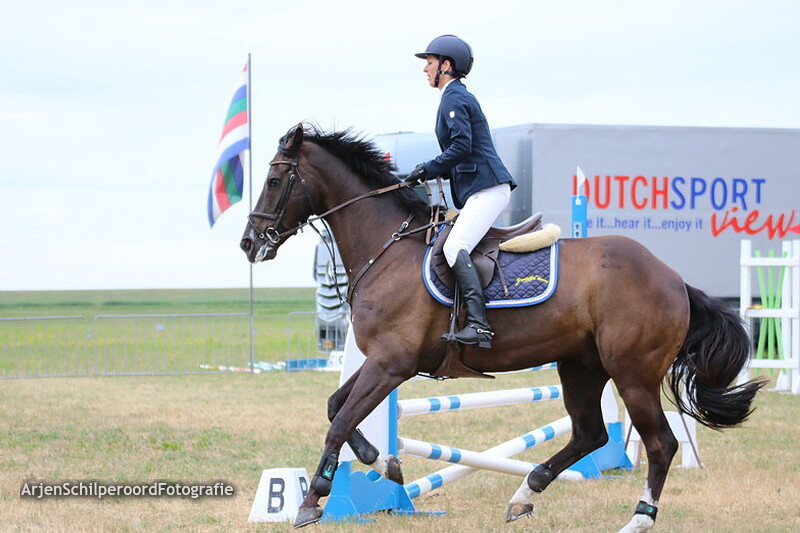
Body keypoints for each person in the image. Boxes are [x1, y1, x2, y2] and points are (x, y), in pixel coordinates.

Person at [406, 34, 517, 349]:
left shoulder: (453, 97)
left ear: (446, 65)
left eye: (429, 62)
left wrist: (428, 168)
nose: (425, 69)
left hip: (488, 188)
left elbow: (462, 146)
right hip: (481, 189)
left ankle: (479, 326)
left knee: (455, 247)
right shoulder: (452, 96)